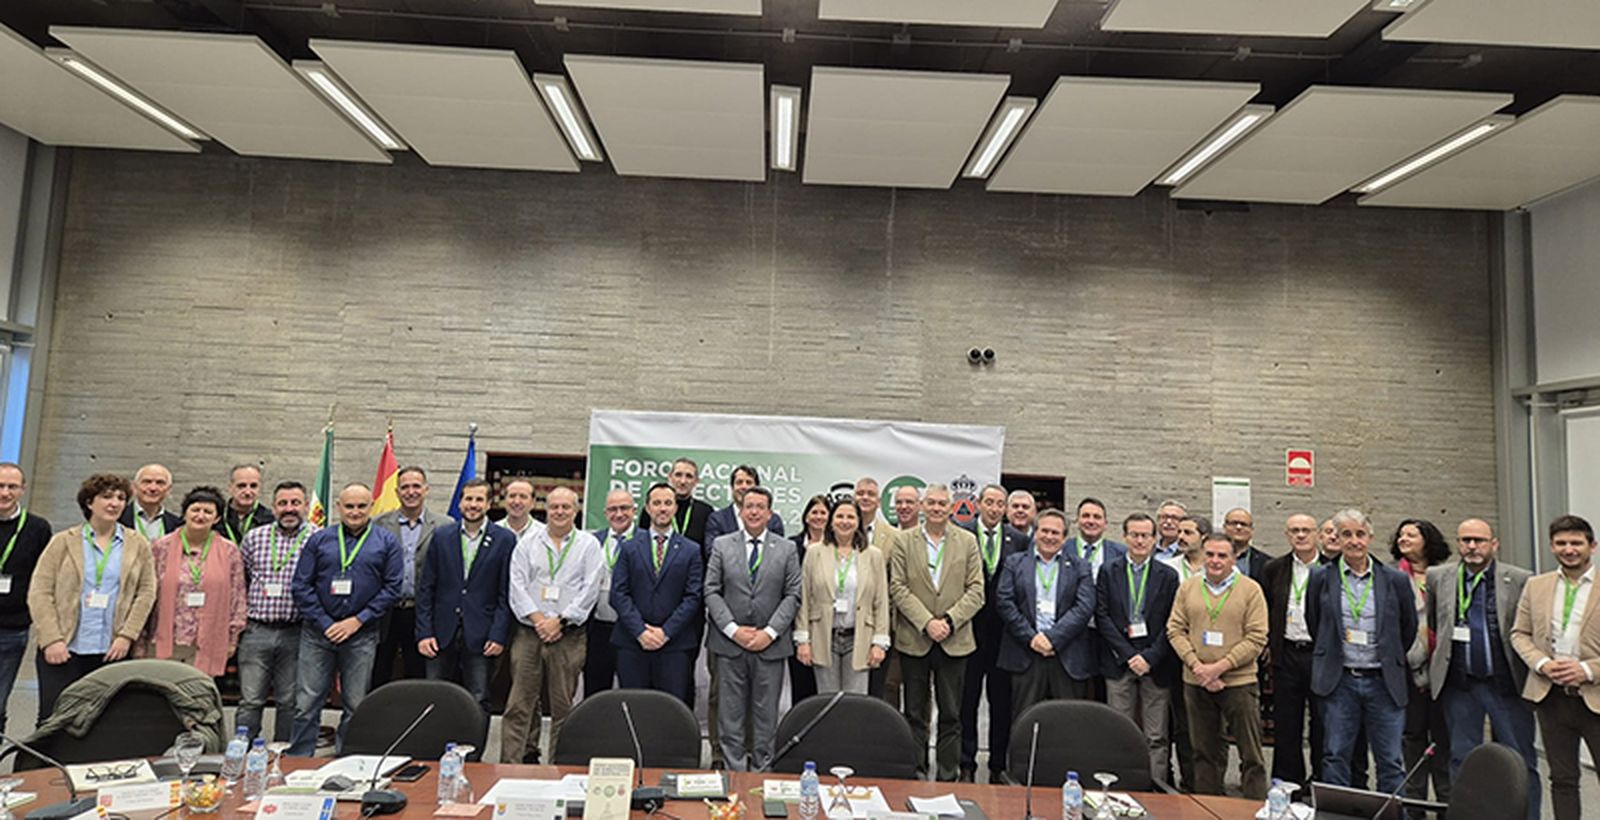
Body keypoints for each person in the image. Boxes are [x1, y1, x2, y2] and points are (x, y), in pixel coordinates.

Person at [1426, 518, 1536, 818]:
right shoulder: (1439, 577)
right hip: (1460, 685)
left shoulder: (1520, 579)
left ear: (1494, 544)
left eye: (1479, 540)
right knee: (1462, 759)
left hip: (1507, 684)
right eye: (1465, 540)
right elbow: (1438, 624)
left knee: (1521, 760)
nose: (1472, 546)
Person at [28, 473, 157, 721]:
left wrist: (126, 636)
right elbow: (40, 592)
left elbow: (146, 592)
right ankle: (45, 762)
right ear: (89, 503)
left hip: (112, 650)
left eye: (120, 498)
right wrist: (52, 639)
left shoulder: (137, 544)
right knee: (53, 719)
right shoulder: (62, 542)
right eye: (106, 497)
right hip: (64, 648)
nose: (115, 503)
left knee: (102, 722)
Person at [288, 483, 403, 755]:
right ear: (338, 507)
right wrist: (326, 623)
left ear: (371, 507)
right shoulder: (319, 540)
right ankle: (300, 758)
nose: (355, 511)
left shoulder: (387, 542)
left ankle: (348, 758)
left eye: (361, 506)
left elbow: (392, 588)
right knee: (307, 701)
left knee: (355, 702)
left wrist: (357, 620)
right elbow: (301, 585)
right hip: (318, 633)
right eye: (349, 506)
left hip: (361, 633)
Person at [1307, 509, 1417, 795]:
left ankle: (1391, 816)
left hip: (1384, 681)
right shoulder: (1319, 577)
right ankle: (1336, 816)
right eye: (1346, 534)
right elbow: (1315, 622)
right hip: (1339, 680)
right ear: (1336, 538)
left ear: (1370, 537)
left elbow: (1407, 628)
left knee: (1390, 760)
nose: (1354, 541)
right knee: (1335, 755)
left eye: (1360, 534)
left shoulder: (1395, 579)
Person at [890, 484, 985, 781]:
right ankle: (916, 769)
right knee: (914, 712)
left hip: (954, 640)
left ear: (951, 507)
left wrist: (948, 621)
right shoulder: (903, 541)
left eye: (942, 503)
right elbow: (898, 587)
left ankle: (948, 773)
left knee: (952, 714)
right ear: (921, 506)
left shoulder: (968, 541)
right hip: (915, 638)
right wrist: (926, 622)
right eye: (930, 502)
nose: (936, 508)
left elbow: (977, 590)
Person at [704, 486, 801, 771]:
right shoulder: (722, 545)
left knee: (765, 715)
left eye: (760, 507)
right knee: (730, 715)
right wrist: (733, 629)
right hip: (729, 644)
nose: (754, 512)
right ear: (741, 511)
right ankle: (735, 774)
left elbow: (793, 594)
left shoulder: (787, 548)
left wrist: (769, 633)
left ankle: (761, 773)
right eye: (749, 507)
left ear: (770, 513)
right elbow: (711, 590)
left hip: (770, 646)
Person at [1166, 531, 1269, 799]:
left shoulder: (1251, 589)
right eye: (1209, 554)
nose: (1214, 560)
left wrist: (1219, 667)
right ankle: (1208, 807)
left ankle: (1254, 809)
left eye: (1222, 555)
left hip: (1238, 682)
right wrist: (1197, 666)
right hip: (1195, 681)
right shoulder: (1188, 587)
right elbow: (1175, 630)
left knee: (1251, 754)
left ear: (1234, 558)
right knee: (1204, 752)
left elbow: (1257, 637)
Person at [503, 486, 602, 764]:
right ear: (545, 510)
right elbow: (517, 585)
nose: (559, 512)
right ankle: (510, 764)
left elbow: (590, 588)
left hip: (568, 634)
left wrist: (560, 621)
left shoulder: (588, 545)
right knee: (519, 704)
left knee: (563, 706)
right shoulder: (528, 543)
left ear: (576, 510)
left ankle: (560, 766)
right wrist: (539, 620)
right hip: (529, 632)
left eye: (566, 507)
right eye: (554, 507)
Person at [1510, 515, 1600, 820]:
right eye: (1561, 543)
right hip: (1551, 697)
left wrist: (1587, 671)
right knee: (1562, 780)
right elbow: (1519, 633)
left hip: (1596, 697)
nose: (1569, 549)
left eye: (1576, 542)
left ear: (1592, 546)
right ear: (1552, 547)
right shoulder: (1536, 585)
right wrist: (1542, 664)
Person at [417, 478, 514, 716]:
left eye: (479, 499)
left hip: (482, 634)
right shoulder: (442, 536)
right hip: (440, 633)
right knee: (434, 696)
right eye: (468, 499)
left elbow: (506, 593)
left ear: (489, 504)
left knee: (479, 698)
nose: (473, 504)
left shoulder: (505, 539)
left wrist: (498, 634)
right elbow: (426, 588)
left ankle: (475, 752)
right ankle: (433, 749)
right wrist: (424, 632)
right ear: (460, 503)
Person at [1098, 513, 1179, 782]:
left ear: (1155, 539)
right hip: (1119, 662)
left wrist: (1149, 657)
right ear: (1124, 537)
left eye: (1145, 535)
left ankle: (1154, 787)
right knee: (1118, 732)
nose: (1140, 540)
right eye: (1134, 535)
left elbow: (1173, 622)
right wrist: (1129, 655)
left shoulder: (1168, 575)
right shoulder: (1108, 570)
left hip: (1156, 664)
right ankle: (1120, 786)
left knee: (1156, 736)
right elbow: (1103, 616)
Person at [236, 481, 318, 742]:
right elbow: (243, 579)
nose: (289, 509)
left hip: (297, 631)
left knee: (289, 700)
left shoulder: (318, 538)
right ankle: (242, 752)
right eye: (283, 503)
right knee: (250, 699)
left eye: (295, 503)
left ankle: (282, 754)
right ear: (273, 507)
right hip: (257, 630)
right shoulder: (255, 537)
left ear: (306, 506)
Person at [957, 483, 1028, 782]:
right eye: (990, 502)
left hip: (1004, 635)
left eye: (1000, 504)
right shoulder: (962, 534)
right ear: (979, 504)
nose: (995, 508)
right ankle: (966, 763)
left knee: (1001, 703)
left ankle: (997, 764)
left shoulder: (1020, 540)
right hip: (968, 631)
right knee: (967, 700)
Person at [996, 507, 1095, 715]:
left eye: (1055, 533)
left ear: (1065, 537)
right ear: (1035, 532)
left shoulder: (1081, 566)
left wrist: (1053, 639)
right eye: (1045, 531)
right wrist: (1032, 638)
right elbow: (1005, 602)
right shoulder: (1015, 563)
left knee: (1069, 721)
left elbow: (1084, 607)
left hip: (1066, 655)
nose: (1049, 537)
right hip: (1026, 653)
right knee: (1024, 720)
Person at [611, 483, 703, 704]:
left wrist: (665, 632)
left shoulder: (692, 550)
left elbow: (693, 597)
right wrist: (641, 631)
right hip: (632, 642)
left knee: (670, 710)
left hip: (674, 645)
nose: (663, 508)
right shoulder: (629, 547)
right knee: (633, 707)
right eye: (657, 503)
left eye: (668, 503)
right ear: (647, 508)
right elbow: (618, 594)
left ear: (675, 508)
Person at [142, 486, 246, 677]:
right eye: (195, 510)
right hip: (167, 638)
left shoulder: (229, 551)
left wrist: (232, 638)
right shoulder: (160, 547)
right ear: (184, 513)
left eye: (208, 512)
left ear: (217, 519)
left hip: (208, 640)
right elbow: (147, 592)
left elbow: (237, 596)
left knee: (197, 693)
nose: (201, 516)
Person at [795, 498, 889, 695]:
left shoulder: (873, 555)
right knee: (827, 703)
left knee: (855, 706)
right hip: (824, 636)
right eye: (839, 516)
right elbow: (805, 597)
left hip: (859, 638)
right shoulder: (814, 553)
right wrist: (803, 640)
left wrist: (879, 643)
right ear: (831, 520)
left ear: (858, 522)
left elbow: (880, 602)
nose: (844, 521)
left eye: (850, 517)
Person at [1390, 519, 1454, 807]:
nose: (1404, 538)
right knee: (1412, 736)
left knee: (1443, 738)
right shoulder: (1393, 577)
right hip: (1406, 669)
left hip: (1445, 668)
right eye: (1401, 534)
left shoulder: (1448, 576)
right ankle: (1413, 803)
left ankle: (1446, 802)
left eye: (1411, 534)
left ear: (1427, 540)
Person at [1261, 513, 1325, 785]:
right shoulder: (1274, 568)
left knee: (1322, 723)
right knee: (1287, 724)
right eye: (1295, 531)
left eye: (1306, 530)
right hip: (1286, 653)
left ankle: (1321, 780)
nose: (1300, 535)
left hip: (1320, 654)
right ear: (1287, 535)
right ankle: (1288, 783)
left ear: (1318, 534)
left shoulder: (1331, 569)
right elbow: (1264, 608)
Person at [373, 465, 438, 687]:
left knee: (417, 673)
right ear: (397, 492)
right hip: (385, 611)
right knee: (378, 671)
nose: (411, 492)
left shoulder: (444, 525)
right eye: (405, 487)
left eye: (416, 486)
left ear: (426, 489)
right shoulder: (378, 525)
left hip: (421, 612)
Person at [0, 463, 51, 733]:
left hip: (12, 628)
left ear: (22, 490)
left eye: (11, 487)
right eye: (0, 486)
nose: (5, 492)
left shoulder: (37, 528)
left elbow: (43, 578)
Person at [1161, 513, 1209, 791]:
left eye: (1188, 532)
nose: (1180, 537)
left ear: (1203, 536)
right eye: (1179, 531)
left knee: (1205, 726)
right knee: (1179, 723)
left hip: (1209, 655)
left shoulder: (1220, 568)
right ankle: (1183, 780)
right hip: (1174, 652)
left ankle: (1205, 784)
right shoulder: (1167, 567)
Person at [587, 488, 637, 696]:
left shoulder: (645, 541)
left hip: (631, 630)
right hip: (597, 628)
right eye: (613, 509)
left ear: (634, 511)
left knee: (632, 690)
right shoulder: (591, 541)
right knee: (595, 691)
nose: (619, 514)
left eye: (624, 508)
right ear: (605, 513)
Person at [788, 495, 831, 702]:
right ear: (806, 516)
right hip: (798, 621)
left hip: (828, 625)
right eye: (814, 512)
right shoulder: (791, 546)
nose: (819, 517)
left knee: (824, 688)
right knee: (801, 684)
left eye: (823, 513)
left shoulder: (837, 548)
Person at [638, 458, 713, 549]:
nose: (683, 481)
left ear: (696, 481)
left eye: (689, 476)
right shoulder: (654, 509)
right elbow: (641, 545)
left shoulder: (705, 512)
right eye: (678, 475)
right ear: (670, 477)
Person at [704, 464, 787, 547]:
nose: (744, 487)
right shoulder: (717, 519)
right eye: (739, 482)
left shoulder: (773, 520)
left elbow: (778, 551)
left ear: (757, 487)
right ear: (732, 487)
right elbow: (712, 551)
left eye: (749, 482)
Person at [121, 464, 181, 542]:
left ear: (168, 489)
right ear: (135, 487)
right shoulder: (118, 518)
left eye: (160, 483)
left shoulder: (177, 525)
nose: (153, 488)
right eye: (147, 482)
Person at [218, 464, 273, 543]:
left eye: (253, 486)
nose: (247, 492)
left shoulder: (270, 520)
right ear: (230, 487)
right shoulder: (217, 517)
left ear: (260, 488)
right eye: (241, 486)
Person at [1222, 508, 1269, 585]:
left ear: (1251, 530)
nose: (1238, 527)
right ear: (1224, 527)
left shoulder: (1266, 563)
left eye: (1243, 524)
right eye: (1234, 523)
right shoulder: (1208, 557)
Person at [497, 478, 546, 543]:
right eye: (512, 496)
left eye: (523, 496)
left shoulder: (544, 533)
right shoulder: (493, 531)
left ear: (533, 502)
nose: (517, 502)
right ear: (505, 500)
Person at [854, 477, 894, 550]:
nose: (865, 497)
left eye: (871, 494)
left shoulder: (893, 535)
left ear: (879, 502)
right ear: (853, 499)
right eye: (860, 493)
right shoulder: (840, 531)